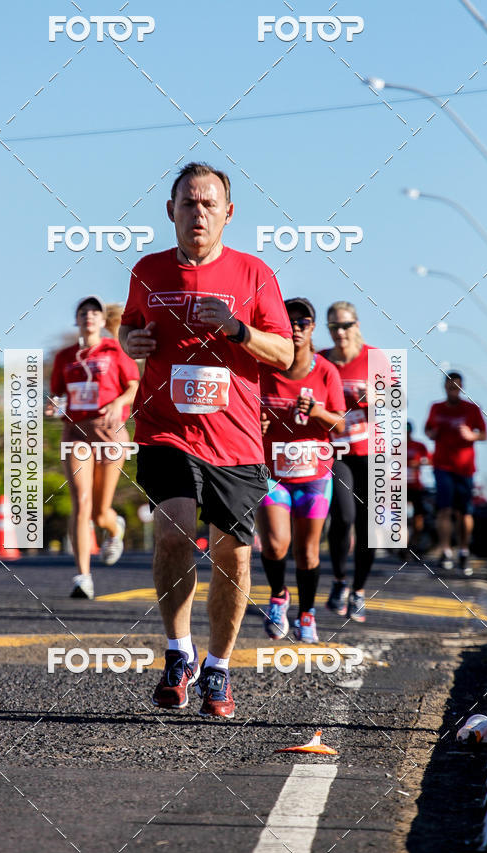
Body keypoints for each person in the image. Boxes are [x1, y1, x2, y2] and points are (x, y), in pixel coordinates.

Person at [119, 162, 293, 719]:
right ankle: (176, 652)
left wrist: (238, 330)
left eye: (209, 204)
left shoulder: (255, 275)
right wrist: (133, 340)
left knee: (233, 556)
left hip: (236, 438)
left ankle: (217, 666)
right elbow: (128, 329)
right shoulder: (147, 270)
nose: (199, 213)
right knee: (172, 529)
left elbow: (286, 354)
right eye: (188, 203)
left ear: (228, 213)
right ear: (171, 210)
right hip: (166, 428)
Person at [258, 298, 346, 642]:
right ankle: (279, 596)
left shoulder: (326, 370)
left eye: (303, 322)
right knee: (276, 545)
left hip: (314, 474)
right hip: (273, 473)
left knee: (307, 551)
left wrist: (319, 413)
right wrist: (258, 424)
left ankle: (307, 614)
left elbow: (339, 424)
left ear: (312, 328)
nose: (295, 328)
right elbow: (246, 416)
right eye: (288, 322)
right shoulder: (263, 368)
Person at [49, 296, 140, 599]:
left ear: (103, 321)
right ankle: (82, 577)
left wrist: (117, 402)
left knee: (101, 511)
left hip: (110, 433)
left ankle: (114, 528)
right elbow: (57, 394)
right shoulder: (65, 356)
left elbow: (134, 386)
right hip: (76, 432)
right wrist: (52, 406)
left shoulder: (115, 350)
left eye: (94, 312)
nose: (88, 316)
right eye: (82, 312)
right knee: (82, 502)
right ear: (76, 320)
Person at [321, 301, 376, 623]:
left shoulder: (375, 358)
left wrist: (376, 395)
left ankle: (358, 590)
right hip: (337, 451)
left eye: (345, 325)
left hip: (371, 452)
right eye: (333, 327)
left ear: (356, 325)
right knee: (343, 515)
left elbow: (398, 405)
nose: (340, 332)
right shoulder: (323, 360)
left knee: (369, 529)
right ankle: (340, 581)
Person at [424, 372, 487, 576]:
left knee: (464, 512)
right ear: (444, 387)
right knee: (444, 510)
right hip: (442, 466)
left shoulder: (471, 409)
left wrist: (472, 435)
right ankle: (445, 550)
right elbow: (428, 430)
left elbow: (484, 434)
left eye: (457, 387)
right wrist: (432, 433)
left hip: (465, 468)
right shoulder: (436, 408)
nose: (453, 390)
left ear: (462, 388)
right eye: (450, 387)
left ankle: (463, 549)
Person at [407, 421, 430, 550]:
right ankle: (402, 543)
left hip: (416, 486)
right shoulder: (397, 446)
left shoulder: (419, 446)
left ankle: (415, 542)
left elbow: (429, 460)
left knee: (418, 515)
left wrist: (419, 463)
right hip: (400, 485)